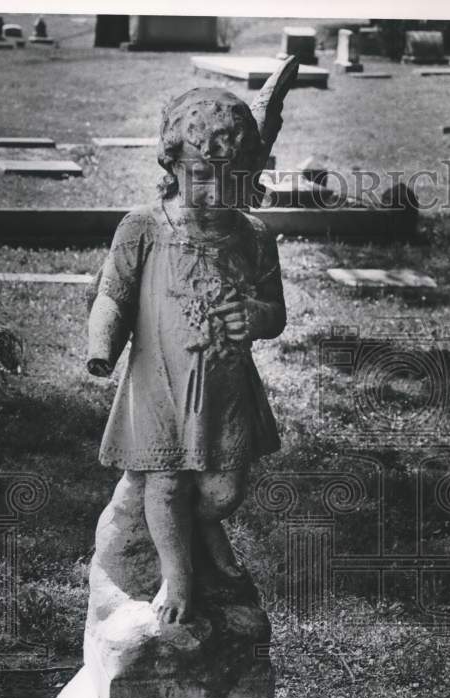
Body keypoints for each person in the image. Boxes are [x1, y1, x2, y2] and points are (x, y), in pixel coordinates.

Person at [87, 88, 287, 624]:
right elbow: (114, 294)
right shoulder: (144, 227)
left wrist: (255, 314)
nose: (215, 189)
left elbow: (275, 311)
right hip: (160, 381)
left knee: (224, 491)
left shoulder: (253, 237)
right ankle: (178, 576)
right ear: (173, 163)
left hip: (224, 387)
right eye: (202, 173)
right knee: (166, 479)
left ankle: (206, 528)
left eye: (231, 176)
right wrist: (101, 346)